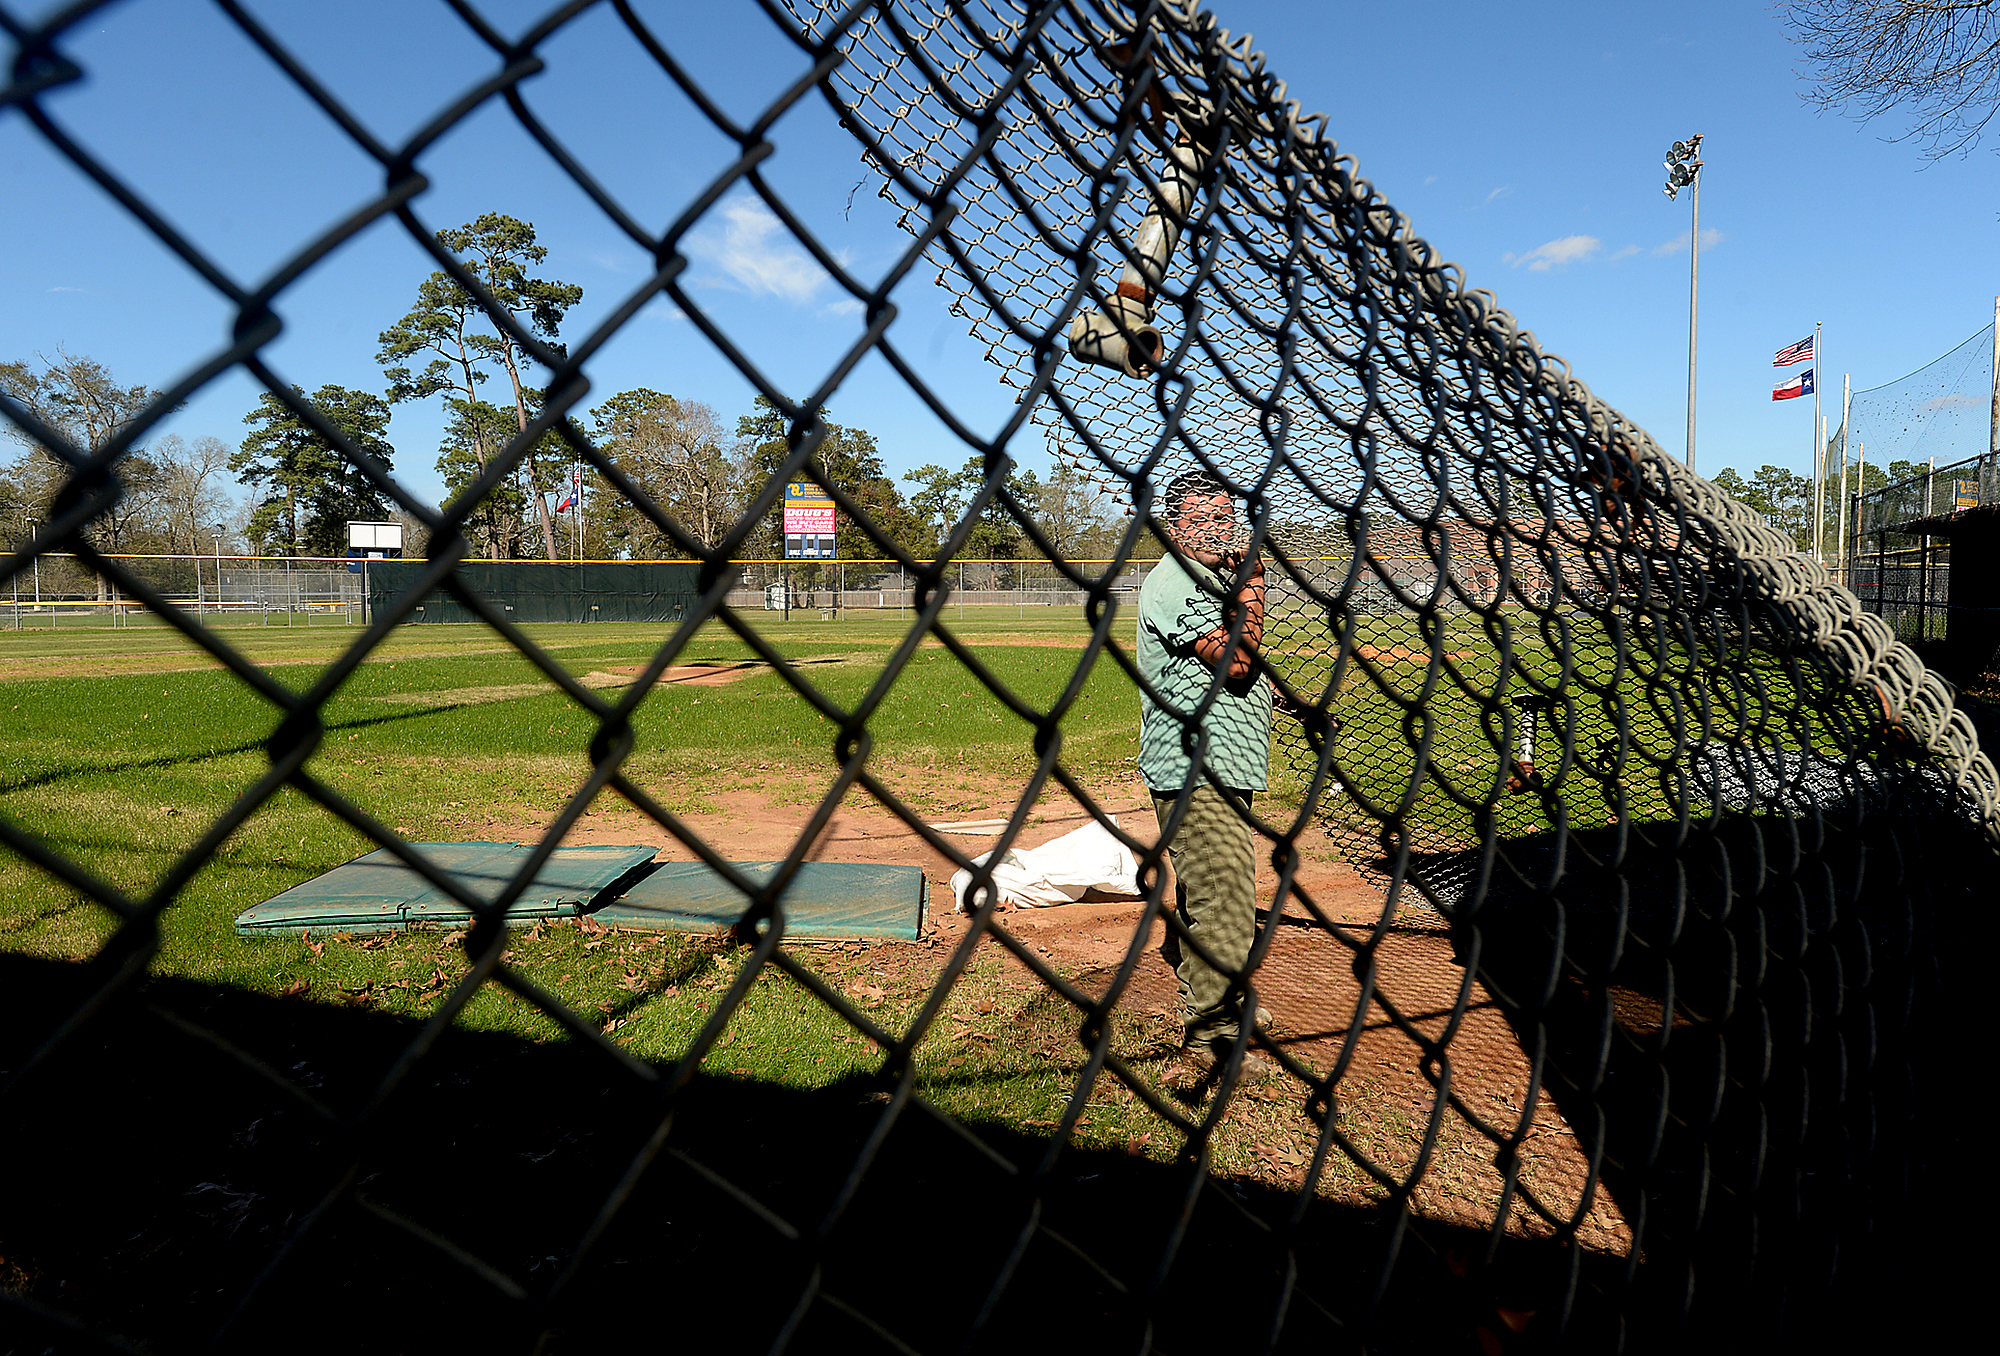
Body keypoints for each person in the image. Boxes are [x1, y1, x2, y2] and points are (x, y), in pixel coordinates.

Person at [1137, 468, 1273, 1081]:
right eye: (1206, 517)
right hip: (1196, 765)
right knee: (1226, 893)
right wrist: (1253, 590)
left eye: (1228, 515)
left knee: (1209, 888)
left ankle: (1220, 998)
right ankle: (1214, 1034)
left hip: (1225, 760)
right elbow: (1238, 664)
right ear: (1177, 525)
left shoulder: (1214, 580)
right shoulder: (1175, 582)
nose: (1222, 528)